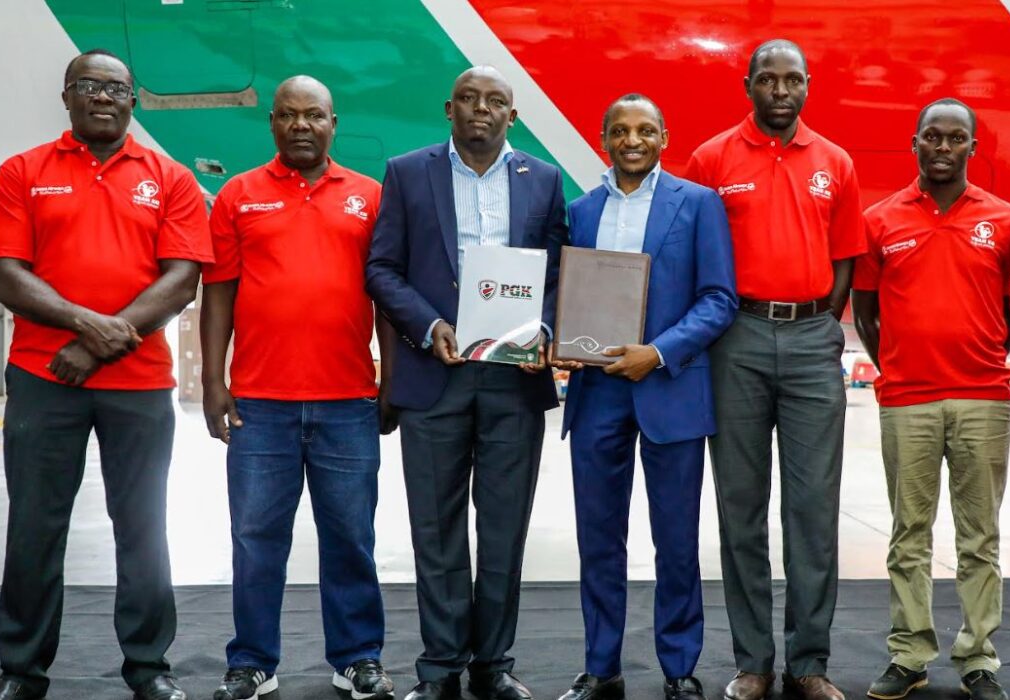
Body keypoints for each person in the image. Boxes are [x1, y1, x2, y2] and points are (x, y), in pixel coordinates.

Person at [0, 49, 211, 700]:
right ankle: (22, 671)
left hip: (138, 386)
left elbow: (182, 280)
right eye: (89, 85)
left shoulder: (169, 178)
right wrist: (89, 325)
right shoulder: (24, 171)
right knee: (34, 526)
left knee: (142, 528)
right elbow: (6, 274)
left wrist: (97, 345)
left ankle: (148, 669)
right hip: (41, 379)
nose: (103, 97)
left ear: (133, 100)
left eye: (116, 88)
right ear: (66, 97)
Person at [365, 66, 567, 700]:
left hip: (514, 381)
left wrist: (550, 332)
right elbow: (382, 267)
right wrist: (429, 327)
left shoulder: (544, 179)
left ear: (513, 115)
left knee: (504, 528)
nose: (483, 109)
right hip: (435, 375)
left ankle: (494, 666)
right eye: (471, 100)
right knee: (437, 528)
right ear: (448, 108)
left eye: (497, 102)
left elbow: (557, 271)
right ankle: (441, 666)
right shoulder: (406, 172)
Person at [200, 76, 396, 700]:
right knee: (257, 539)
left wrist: (392, 378)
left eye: (314, 115)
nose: (302, 126)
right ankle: (253, 660)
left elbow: (387, 298)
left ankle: (357, 658)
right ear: (273, 124)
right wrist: (213, 379)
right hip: (260, 404)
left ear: (334, 123)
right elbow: (220, 292)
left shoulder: (369, 197)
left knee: (351, 537)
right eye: (289, 115)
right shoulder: (238, 194)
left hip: (347, 402)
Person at [686, 39, 865, 700]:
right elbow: (696, 251)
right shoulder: (711, 159)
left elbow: (845, 255)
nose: (781, 91)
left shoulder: (836, 162)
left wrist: (821, 321)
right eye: (769, 79)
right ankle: (753, 662)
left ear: (808, 86)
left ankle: (809, 663)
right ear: (748, 85)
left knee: (813, 511)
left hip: (813, 338)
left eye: (793, 80)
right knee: (741, 508)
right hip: (735, 340)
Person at [552, 94, 737, 700]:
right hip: (597, 393)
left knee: (677, 540)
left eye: (645, 130)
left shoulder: (699, 204)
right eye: (621, 131)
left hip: (670, 389)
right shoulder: (581, 211)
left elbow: (718, 299)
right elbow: (563, 293)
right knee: (598, 538)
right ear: (603, 138)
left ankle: (680, 666)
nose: (633, 140)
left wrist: (655, 353)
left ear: (664, 138)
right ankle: (600, 666)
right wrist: (555, 338)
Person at [852, 99, 1010, 700]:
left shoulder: (1006, 221)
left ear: (973, 148)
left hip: (984, 398)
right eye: (932, 137)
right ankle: (910, 652)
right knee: (909, 533)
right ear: (915, 144)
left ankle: (978, 657)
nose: (943, 147)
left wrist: (983, 352)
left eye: (956, 139)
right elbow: (866, 311)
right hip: (907, 400)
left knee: (980, 536)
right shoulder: (879, 221)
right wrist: (898, 361)